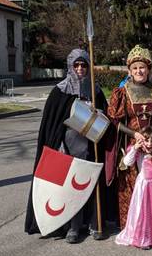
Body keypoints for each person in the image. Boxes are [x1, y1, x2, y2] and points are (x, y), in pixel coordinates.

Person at [24, 49, 110, 243]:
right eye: (76, 65)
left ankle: (95, 224)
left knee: (92, 184)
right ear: (71, 66)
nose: (80, 69)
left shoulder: (95, 90)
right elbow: (52, 124)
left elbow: (107, 118)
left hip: (92, 146)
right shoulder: (60, 91)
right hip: (69, 147)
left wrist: (99, 112)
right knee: (72, 188)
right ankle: (72, 227)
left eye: (84, 65)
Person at [106, 45, 152, 229]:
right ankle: (135, 227)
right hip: (132, 146)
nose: (139, 71)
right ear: (129, 70)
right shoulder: (122, 92)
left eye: (142, 67)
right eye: (134, 68)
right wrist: (134, 134)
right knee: (134, 187)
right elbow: (114, 121)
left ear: (148, 68)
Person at [115, 126, 152, 249]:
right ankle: (144, 239)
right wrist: (135, 148)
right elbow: (127, 162)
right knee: (144, 212)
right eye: (146, 140)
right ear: (142, 141)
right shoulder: (139, 153)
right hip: (143, 187)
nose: (149, 144)